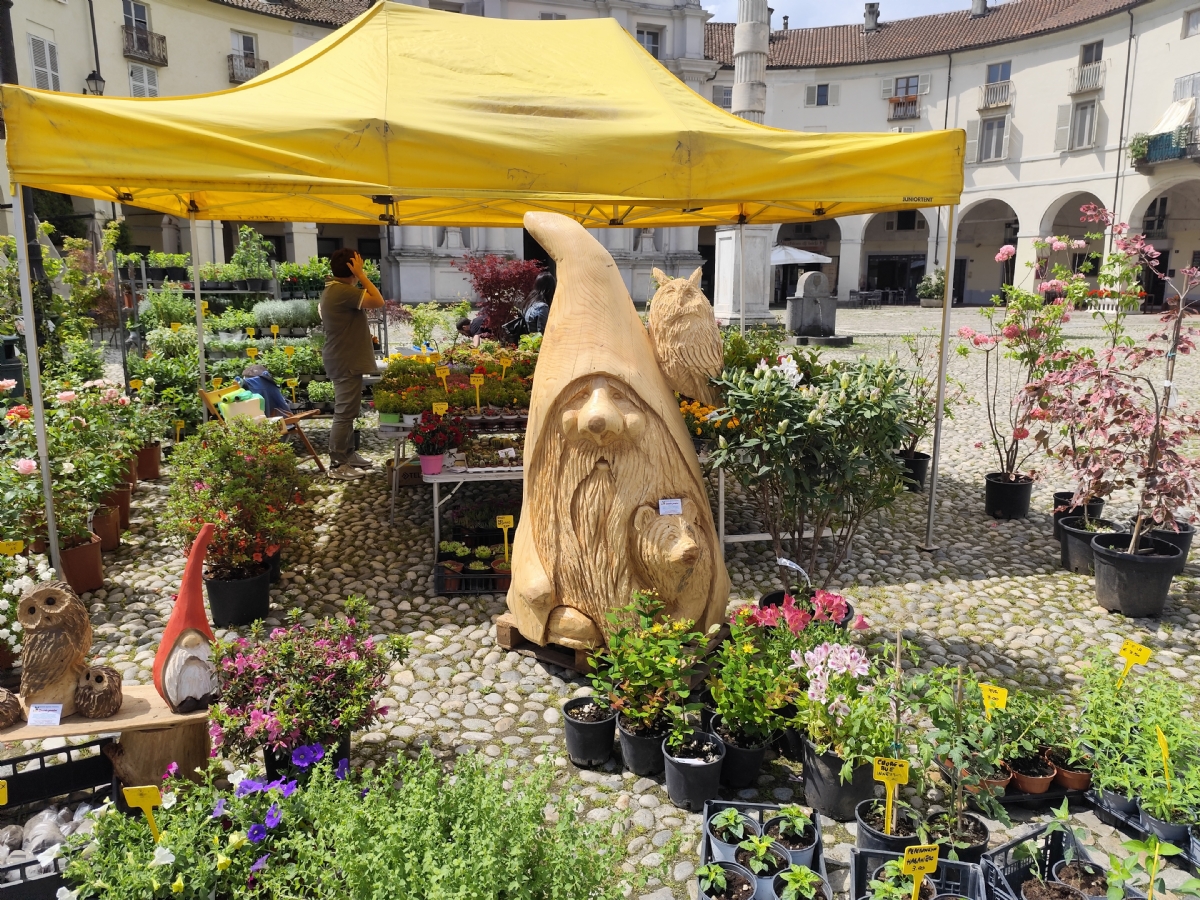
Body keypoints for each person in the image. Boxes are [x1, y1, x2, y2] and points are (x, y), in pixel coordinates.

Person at [320, 248, 384, 479]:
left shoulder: (338, 290)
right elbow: (378, 301)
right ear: (352, 268)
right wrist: (363, 276)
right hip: (345, 359)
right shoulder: (342, 291)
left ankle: (348, 454)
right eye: (359, 264)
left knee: (349, 410)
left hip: (344, 358)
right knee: (344, 413)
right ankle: (338, 464)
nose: (362, 268)